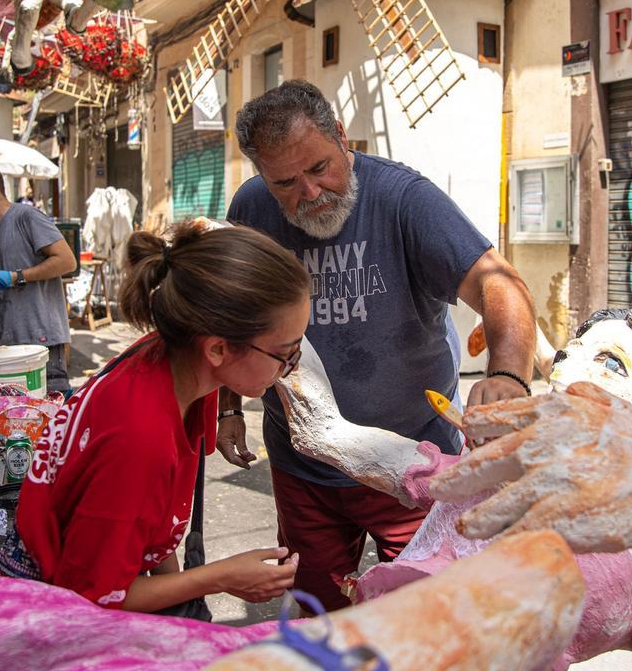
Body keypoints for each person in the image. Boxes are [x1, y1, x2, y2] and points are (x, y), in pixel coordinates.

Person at [221, 80, 538, 610]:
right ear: (261, 175)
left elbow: (499, 284)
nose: (311, 193)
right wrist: (228, 405)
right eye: (286, 183)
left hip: (415, 463)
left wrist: (508, 375)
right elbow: (231, 317)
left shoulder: (405, 200)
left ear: (343, 138)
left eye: (320, 168)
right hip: (303, 467)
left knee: (434, 616)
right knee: (321, 616)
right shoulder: (251, 210)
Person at [0, 221, 305, 614]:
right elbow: (89, 597)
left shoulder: (182, 368)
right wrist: (221, 577)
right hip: (48, 607)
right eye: (286, 354)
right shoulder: (140, 437)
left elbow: (151, 523)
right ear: (218, 349)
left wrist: (181, 595)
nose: (290, 369)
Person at [0, 158, 76, 392]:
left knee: (46, 423)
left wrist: (16, 277)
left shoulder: (27, 218)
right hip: (0, 348)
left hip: (41, 346)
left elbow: (66, 260)